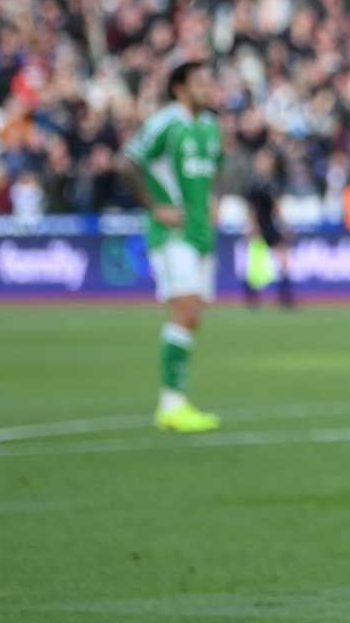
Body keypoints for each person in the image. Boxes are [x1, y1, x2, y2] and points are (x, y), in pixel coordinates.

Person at [121, 60, 224, 433]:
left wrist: (215, 200)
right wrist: (155, 206)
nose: (207, 87)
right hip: (172, 234)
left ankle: (175, 403)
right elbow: (127, 162)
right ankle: (171, 405)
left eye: (209, 80)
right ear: (179, 88)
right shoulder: (166, 123)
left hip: (200, 234)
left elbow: (218, 169)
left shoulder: (211, 128)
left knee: (191, 314)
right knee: (184, 309)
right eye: (199, 81)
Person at [242, 148, 294, 309]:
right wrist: (251, 226)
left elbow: (276, 207)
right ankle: (252, 297)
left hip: (270, 225)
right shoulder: (253, 183)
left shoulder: (273, 183)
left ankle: (285, 296)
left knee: (283, 259)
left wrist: (284, 225)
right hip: (259, 226)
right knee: (256, 264)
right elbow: (251, 209)